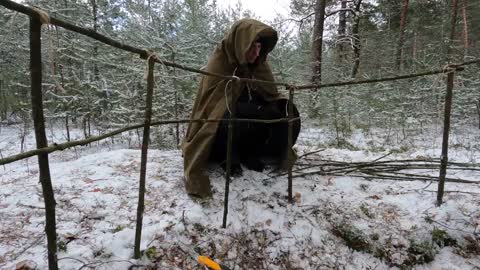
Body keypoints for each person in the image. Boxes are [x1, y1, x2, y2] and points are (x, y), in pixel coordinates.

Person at [181, 19, 301, 199]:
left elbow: (270, 93)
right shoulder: (221, 60)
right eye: (252, 46)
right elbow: (215, 106)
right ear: (241, 43)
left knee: (284, 110)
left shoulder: (258, 63)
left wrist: (270, 107)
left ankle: (252, 152)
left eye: (260, 47)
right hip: (222, 125)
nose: (256, 53)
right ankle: (228, 158)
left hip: (248, 118)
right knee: (231, 115)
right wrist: (251, 107)